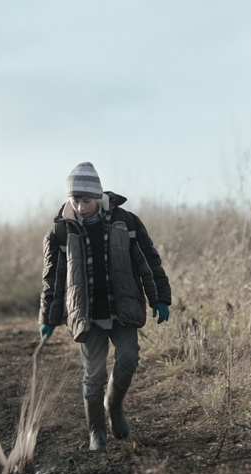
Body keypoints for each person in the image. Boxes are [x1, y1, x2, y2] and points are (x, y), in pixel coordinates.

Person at [39, 162, 171, 452]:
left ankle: (115, 407)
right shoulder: (60, 232)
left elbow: (148, 261)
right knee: (94, 374)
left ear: (97, 197)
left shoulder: (126, 222)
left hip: (122, 309)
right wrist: (49, 316)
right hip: (87, 316)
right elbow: (53, 277)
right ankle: (96, 431)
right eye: (75, 200)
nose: (81, 206)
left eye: (86, 200)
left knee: (128, 358)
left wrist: (159, 297)